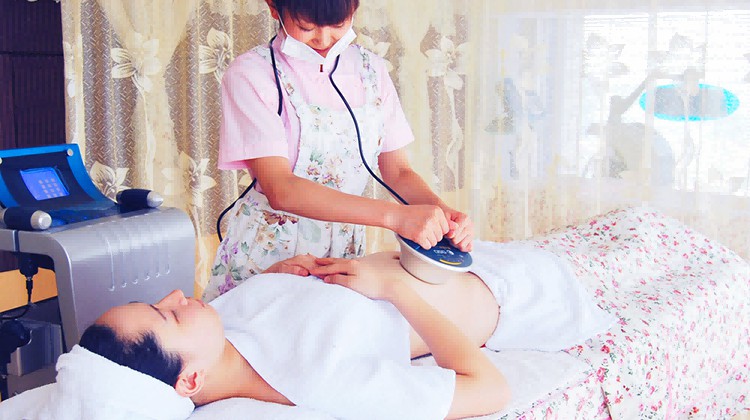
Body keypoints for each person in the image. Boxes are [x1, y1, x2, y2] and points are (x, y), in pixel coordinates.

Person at [79, 241, 616, 419]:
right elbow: (491, 389)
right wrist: (395, 289)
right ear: (190, 382)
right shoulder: (322, 382)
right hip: (518, 291)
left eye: (158, 302)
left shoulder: (223, 329)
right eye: (170, 315)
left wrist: (279, 277)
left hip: (451, 258)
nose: (177, 296)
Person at [205, 0, 474, 301]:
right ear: (273, 7)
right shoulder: (251, 74)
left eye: (338, 24)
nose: (323, 39)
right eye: (307, 27)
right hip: (269, 255)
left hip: (345, 254)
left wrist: (442, 214)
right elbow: (281, 189)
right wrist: (396, 217)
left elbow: (398, 171)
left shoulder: (372, 71)